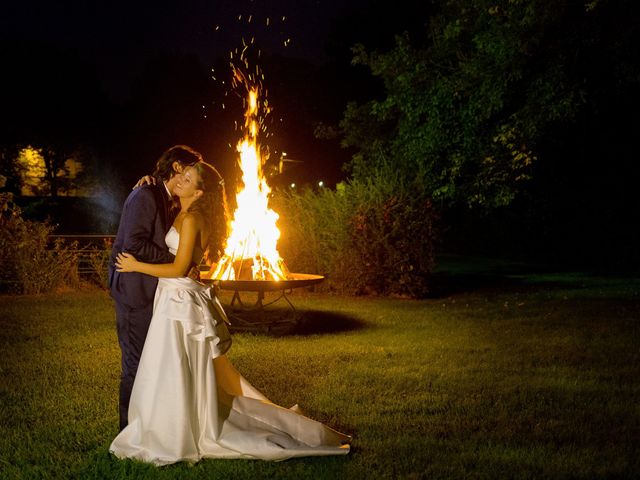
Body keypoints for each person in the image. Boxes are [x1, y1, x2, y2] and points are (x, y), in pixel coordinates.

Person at [109, 162, 351, 464]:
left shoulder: (193, 218)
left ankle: (174, 432)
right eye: (182, 174)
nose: (180, 179)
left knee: (173, 365)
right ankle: (165, 422)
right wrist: (147, 178)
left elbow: (179, 268)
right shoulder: (181, 212)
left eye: (188, 178)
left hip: (178, 299)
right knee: (171, 366)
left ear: (199, 191)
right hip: (172, 296)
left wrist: (136, 266)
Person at [109, 145, 202, 431]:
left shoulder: (162, 196)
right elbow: (134, 245)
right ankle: (127, 430)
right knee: (135, 364)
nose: (194, 176)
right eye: (191, 170)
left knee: (151, 361)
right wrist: (177, 261)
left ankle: (150, 423)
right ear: (177, 168)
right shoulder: (146, 194)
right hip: (135, 290)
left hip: (152, 290)